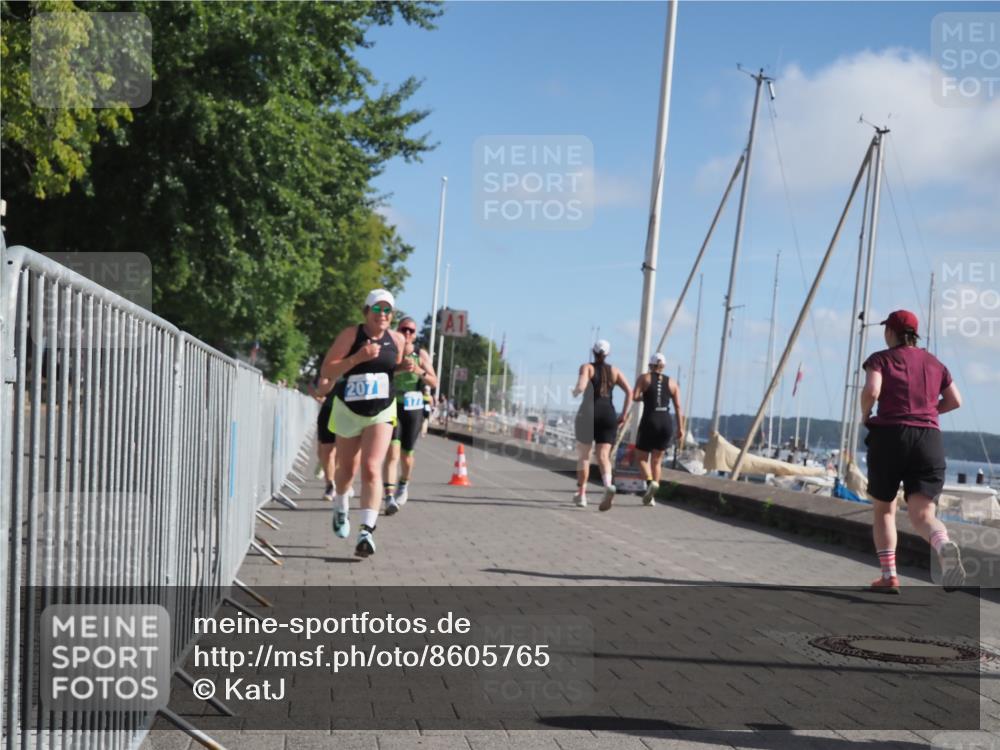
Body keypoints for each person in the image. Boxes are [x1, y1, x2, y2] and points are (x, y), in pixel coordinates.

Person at [861, 309, 965, 593]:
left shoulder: (881, 359)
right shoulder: (934, 363)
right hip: (929, 439)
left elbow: (872, 390)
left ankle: (889, 575)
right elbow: (955, 400)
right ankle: (942, 544)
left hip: (891, 436)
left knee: (884, 508)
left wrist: (866, 414)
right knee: (922, 514)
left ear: (891, 332)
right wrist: (930, 411)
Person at [317, 289, 405, 558]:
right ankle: (341, 505)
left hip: (381, 410)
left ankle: (366, 530)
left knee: (371, 467)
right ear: (366, 312)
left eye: (387, 310)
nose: (383, 315)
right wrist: (358, 358)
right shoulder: (351, 335)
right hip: (349, 411)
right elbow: (327, 370)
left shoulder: (397, 339)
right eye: (377, 309)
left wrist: (406, 369)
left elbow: (392, 366)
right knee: (347, 470)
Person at [383, 317, 438, 515]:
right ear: (398, 330)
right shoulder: (392, 349)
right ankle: (388, 496)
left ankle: (403, 485)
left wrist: (418, 370)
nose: (407, 334)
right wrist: (398, 370)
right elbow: (382, 373)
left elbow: (434, 381)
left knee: (406, 456)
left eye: (411, 331)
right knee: (392, 452)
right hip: (392, 405)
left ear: (415, 335)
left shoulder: (420, 354)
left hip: (412, 409)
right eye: (404, 329)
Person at [572, 340, 631, 510]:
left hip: (588, 413)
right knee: (603, 456)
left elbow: (582, 386)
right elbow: (629, 391)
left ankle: (582, 494)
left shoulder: (587, 367)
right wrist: (624, 414)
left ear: (593, 352)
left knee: (584, 456)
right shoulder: (614, 371)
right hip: (608, 415)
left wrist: (576, 391)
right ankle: (607, 486)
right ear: (608, 354)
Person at [632, 352, 683, 506]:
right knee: (657, 461)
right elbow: (678, 406)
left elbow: (635, 397)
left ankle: (649, 484)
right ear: (663, 366)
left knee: (640, 457)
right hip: (666, 421)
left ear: (650, 365)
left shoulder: (644, 378)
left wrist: (645, 397)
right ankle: (653, 496)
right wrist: (681, 428)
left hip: (650, 419)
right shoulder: (673, 383)